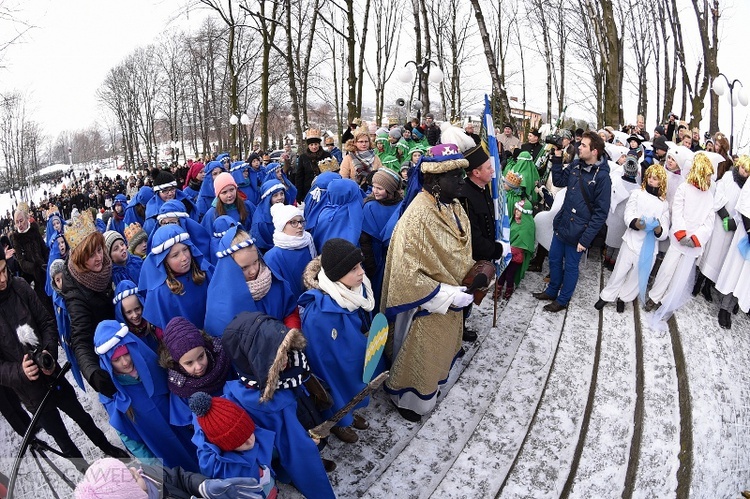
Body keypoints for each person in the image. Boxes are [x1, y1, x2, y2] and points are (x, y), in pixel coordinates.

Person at [0, 248, 128, 472]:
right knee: (64, 441)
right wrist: (20, 372)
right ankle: (89, 475)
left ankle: (105, 446)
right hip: (30, 392)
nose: (2, 279)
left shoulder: (20, 286)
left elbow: (47, 322)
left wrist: (48, 350)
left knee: (82, 417)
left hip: (52, 375)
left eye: (3, 270)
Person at [381, 145, 475, 422]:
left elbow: (460, 250)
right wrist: (446, 294)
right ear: (435, 181)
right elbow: (405, 273)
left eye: (462, 174)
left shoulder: (453, 205)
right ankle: (407, 402)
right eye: (455, 176)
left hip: (453, 299)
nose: (462, 181)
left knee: (438, 357)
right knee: (418, 359)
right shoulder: (417, 216)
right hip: (426, 307)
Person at [222, 311, 336, 498]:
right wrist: (306, 443)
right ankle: (298, 474)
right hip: (291, 445)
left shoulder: (289, 369)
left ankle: (311, 458)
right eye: (276, 357)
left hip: (303, 419)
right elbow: (287, 440)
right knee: (299, 465)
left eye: (285, 351)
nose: (285, 359)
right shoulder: (262, 402)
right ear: (256, 361)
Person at [94, 320, 199, 471]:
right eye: (116, 360)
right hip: (162, 453)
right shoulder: (112, 396)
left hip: (188, 434)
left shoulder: (153, 365)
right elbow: (128, 437)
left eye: (126, 355)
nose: (124, 363)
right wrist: (153, 465)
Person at [299, 239, 375, 444]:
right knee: (339, 393)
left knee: (353, 389)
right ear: (336, 275)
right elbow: (320, 360)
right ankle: (339, 423)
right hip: (335, 369)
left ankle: (350, 413)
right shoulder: (318, 314)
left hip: (352, 361)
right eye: (353, 269)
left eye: (360, 265)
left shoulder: (354, 292)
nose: (361, 272)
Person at [533, 131, 612, 312]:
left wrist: (585, 240)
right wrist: (558, 158)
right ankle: (552, 291)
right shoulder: (576, 165)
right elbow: (560, 180)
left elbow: (601, 213)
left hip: (579, 232)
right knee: (553, 258)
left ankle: (562, 300)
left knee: (570, 267)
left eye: (584, 145)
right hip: (563, 224)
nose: (579, 148)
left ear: (595, 151)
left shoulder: (602, 178)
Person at [645, 154, 715, 317]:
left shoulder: (709, 196)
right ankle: (654, 297)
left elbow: (709, 222)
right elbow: (677, 211)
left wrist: (696, 238)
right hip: (679, 239)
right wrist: (681, 233)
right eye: (708, 174)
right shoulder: (684, 188)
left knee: (680, 276)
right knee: (667, 269)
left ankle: (667, 300)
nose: (710, 178)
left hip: (693, 244)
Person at [595, 165, 670, 312]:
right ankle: (607, 295)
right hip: (631, 241)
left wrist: (658, 228)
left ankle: (624, 297)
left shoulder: (664, 204)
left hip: (649, 249)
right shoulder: (637, 193)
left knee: (636, 277)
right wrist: (637, 223)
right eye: (649, 177)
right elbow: (628, 213)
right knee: (620, 270)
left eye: (655, 179)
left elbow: (665, 229)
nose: (650, 180)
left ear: (661, 182)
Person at [59, 211, 118, 397]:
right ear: (79, 258)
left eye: (99, 250)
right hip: (111, 351)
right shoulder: (75, 293)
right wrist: (93, 373)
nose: (99, 257)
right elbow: (80, 338)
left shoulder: (108, 265)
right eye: (91, 255)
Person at [204, 227, 299, 337]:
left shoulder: (274, 282)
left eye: (255, 262)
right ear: (229, 268)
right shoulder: (220, 303)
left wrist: (291, 335)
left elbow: (290, 311)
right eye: (244, 268)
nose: (253, 271)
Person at [189, 392, 277, 498]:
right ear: (225, 446)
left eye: (249, 432)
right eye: (241, 442)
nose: (250, 441)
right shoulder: (221, 468)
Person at [159, 317, 232, 427]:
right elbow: (189, 424)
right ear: (177, 362)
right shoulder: (181, 389)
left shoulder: (222, 360)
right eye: (189, 363)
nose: (198, 367)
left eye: (201, 356)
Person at [75, 457, 264, 499]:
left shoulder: (147, 474)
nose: (135, 470)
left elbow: (179, 478)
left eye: (127, 468)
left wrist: (203, 486)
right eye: (132, 477)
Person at [694, 157, 749, 302]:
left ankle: (708, 286)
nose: (744, 172)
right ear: (739, 165)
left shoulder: (747, 187)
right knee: (710, 252)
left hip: (732, 227)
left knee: (721, 258)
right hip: (719, 221)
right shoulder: (728, 176)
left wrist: (735, 222)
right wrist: (724, 215)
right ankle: (698, 281)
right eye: (743, 168)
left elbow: (744, 206)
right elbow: (718, 195)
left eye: (747, 171)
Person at [139, 225, 213, 331]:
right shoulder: (160, 293)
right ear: (164, 261)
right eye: (175, 255)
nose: (184, 258)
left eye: (185, 249)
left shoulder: (204, 272)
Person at [714, 156, 750, 328]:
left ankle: (731, 306)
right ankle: (724, 309)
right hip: (745, 233)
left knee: (745, 277)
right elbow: (744, 205)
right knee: (735, 271)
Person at [360, 169, 403, 310]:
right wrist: (370, 263)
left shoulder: (401, 206)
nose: (375, 191)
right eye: (374, 186)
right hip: (376, 258)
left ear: (390, 190)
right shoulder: (370, 206)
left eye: (380, 188)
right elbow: (365, 238)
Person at [264, 204, 317, 300]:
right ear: (282, 226)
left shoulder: (308, 242)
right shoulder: (273, 257)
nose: (300, 226)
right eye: (293, 222)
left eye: (301, 221)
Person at [11, 207, 51, 313]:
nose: (20, 224)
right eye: (17, 222)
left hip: (45, 271)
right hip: (32, 277)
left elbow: (44, 248)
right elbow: (21, 261)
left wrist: (47, 263)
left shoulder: (34, 230)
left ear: (27, 219)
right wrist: (35, 268)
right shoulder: (16, 238)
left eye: (21, 221)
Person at [201, 172, 256, 239]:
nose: (229, 195)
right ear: (218, 195)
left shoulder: (247, 205)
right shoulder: (212, 214)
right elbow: (208, 238)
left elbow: (256, 227)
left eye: (232, 190)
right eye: (224, 192)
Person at [113, 279, 162, 354]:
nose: (135, 315)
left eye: (137, 309)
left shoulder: (155, 326)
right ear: (122, 314)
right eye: (129, 312)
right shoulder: (124, 338)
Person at [250, 179, 290, 252]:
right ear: (268, 198)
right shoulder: (260, 222)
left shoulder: (286, 210)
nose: (280, 198)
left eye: (282, 193)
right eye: (275, 195)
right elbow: (260, 246)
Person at [296, 128, 332, 202]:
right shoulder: (303, 157)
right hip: (308, 189)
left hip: (324, 188)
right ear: (308, 145)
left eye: (316, 144)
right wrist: (299, 194)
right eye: (311, 144)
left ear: (319, 144)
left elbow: (332, 172)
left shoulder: (326, 155)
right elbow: (299, 176)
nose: (314, 147)